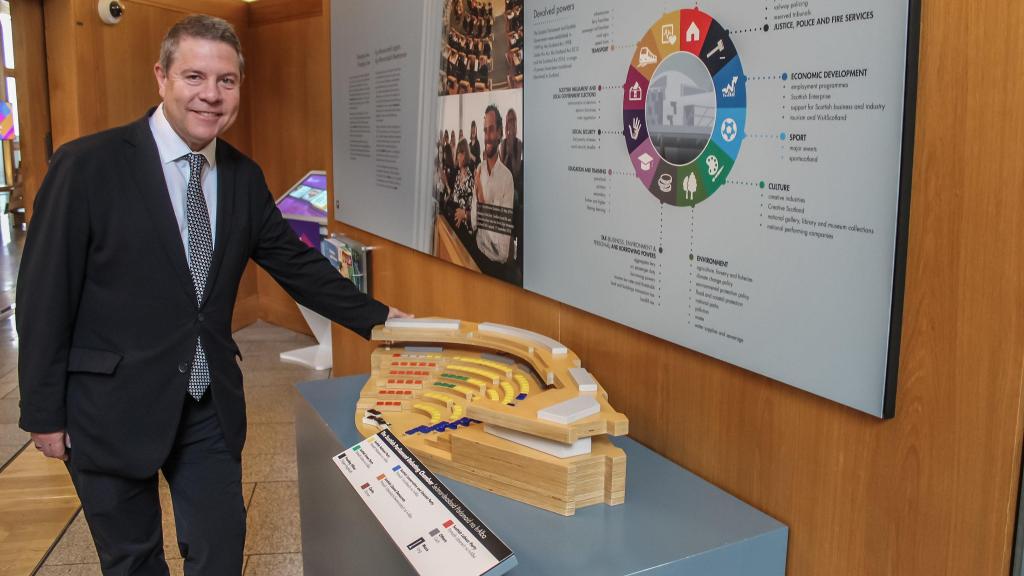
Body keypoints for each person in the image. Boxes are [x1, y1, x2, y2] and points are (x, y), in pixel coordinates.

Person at [16, 15, 410, 575]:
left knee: (221, 550)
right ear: (162, 77)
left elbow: (296, 265)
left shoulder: (243, 177)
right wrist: (43, 412)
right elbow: (43, 294)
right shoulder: (87, 166)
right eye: (194, 76)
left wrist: (383, 320)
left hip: (205, 402)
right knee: (132, 560)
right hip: (108, 407)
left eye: (227, 81)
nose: (211, 94)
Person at [471, 105, 515, 277]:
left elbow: (503, 250)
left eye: (491, 130)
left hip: (495, 269)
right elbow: (474, 222)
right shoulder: (479, 171)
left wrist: (482, 202)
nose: (487, 136)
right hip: (477, 254)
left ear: (499, 133)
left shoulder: (507, 179)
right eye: (485, 130)